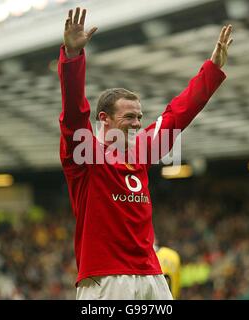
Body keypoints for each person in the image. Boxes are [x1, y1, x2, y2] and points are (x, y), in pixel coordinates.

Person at [58, 7, 232, 300]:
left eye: (140, 117)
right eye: (130, 117)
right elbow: (74, 114)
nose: (138, 123)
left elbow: (178, 113)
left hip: (151, 276)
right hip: (107, 279)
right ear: (105, 119)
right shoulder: (85, 156)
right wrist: (73, 59)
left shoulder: (141, 152)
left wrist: (212, 69)